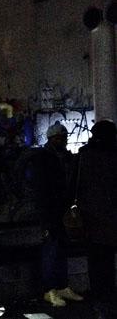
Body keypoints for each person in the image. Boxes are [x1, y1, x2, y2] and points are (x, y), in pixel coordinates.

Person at [31, 121, 83, 307]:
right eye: (61, 138)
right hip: (51, 212)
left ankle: (59, 286)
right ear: (54, 138)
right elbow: (43, 188)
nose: (64, 141)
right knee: (52, 250)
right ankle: (50, 288)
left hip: (58, 210)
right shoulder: (46, 158)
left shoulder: (54, 157)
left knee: (58, 249)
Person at [77, 120, 117, 315]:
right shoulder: (113, 154)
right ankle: (108, 292)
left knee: (95, 258)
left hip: (90, 215)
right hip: (110, 215)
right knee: (108, 258)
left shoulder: (85, 155)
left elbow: (75, 184)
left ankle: (98, 293)